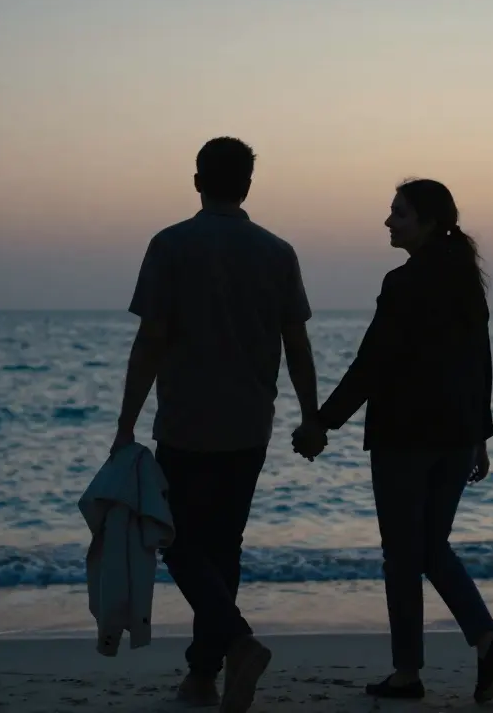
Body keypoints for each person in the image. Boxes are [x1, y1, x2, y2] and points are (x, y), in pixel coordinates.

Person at [112, 137, 325, 712]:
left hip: (185, 422)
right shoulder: (277, 252)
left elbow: (151, 340)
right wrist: (310, 415)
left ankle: (234, 643)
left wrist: (125, 424)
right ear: (248, 186)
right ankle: (204, 677)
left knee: (175, 539)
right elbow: (297, 341)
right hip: (250, 424)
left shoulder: (171, 244)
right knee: (223, 546)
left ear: (197, 180)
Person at [292, 178, 493, 704]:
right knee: (431, 547)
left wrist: (321, 422)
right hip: (457, 436)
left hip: (407, 438)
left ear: (429, 221)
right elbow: (479, 363)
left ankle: (408, 672)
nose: (389, 222)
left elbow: (373, 362)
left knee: (403, 554)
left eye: (399, 213)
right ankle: (487, 643)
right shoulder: (466, 282)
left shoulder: (404, 282)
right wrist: (480, 435)